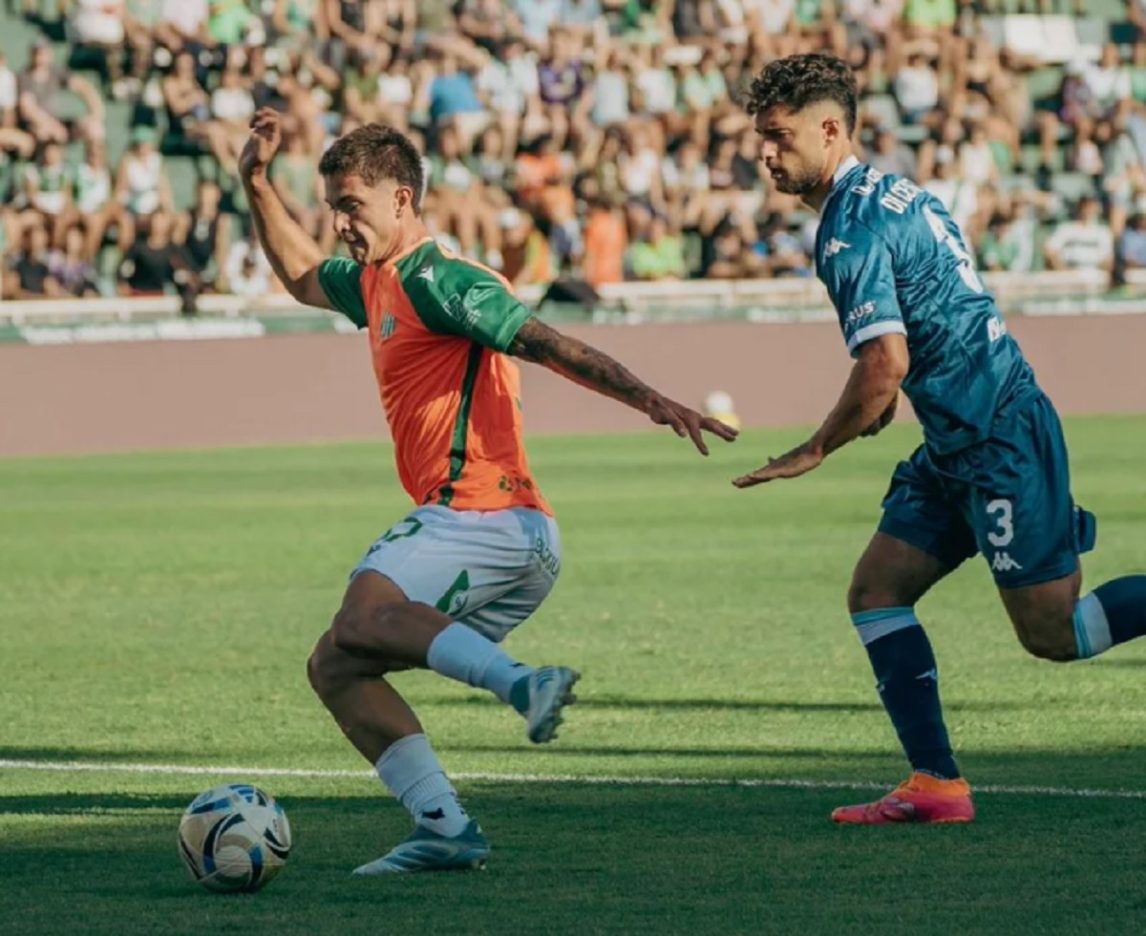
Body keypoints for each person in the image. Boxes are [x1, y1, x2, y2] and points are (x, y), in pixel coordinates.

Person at [239, 109, 737, 872]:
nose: (340, 223)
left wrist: (652, 400)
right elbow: (301, 275)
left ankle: (524, 684)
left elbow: (549, 345)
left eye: (353, 206)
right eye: (334, 207)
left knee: (364, 610)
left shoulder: (441, 279)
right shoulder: (374, 282)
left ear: (402, 200)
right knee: (336, 664)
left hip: (487, 512)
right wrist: (255, 181)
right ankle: (443, 827)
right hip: (491, 529)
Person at [733, 53, 1146, 825]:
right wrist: (893, 385)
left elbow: (883, 363)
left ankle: (938, 781)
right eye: (761, 136)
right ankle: (937, 785)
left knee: (1056, 634)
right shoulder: (897, 191)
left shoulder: (850, 226)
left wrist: (817, 446)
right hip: (958, 438)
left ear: (829, 129)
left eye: (778, 136)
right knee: (876, 591)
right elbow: (914, 335)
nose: (764, 153)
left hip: (997, 436)